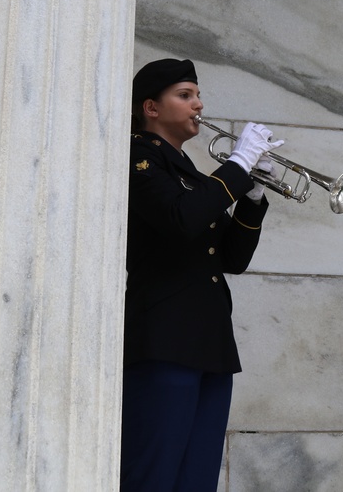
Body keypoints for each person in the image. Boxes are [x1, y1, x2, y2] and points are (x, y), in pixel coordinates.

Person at [120, 58, 283, 491]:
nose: (199, 104)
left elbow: (232, 257)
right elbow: (181, 219)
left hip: (210, 344)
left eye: (197, 95)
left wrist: (252, 195)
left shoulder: (191, 174)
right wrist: (237, 163)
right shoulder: (137, 158)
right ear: (151, 108)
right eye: (185, 95)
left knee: (197, 480)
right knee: (151, 475)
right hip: (164, 339)